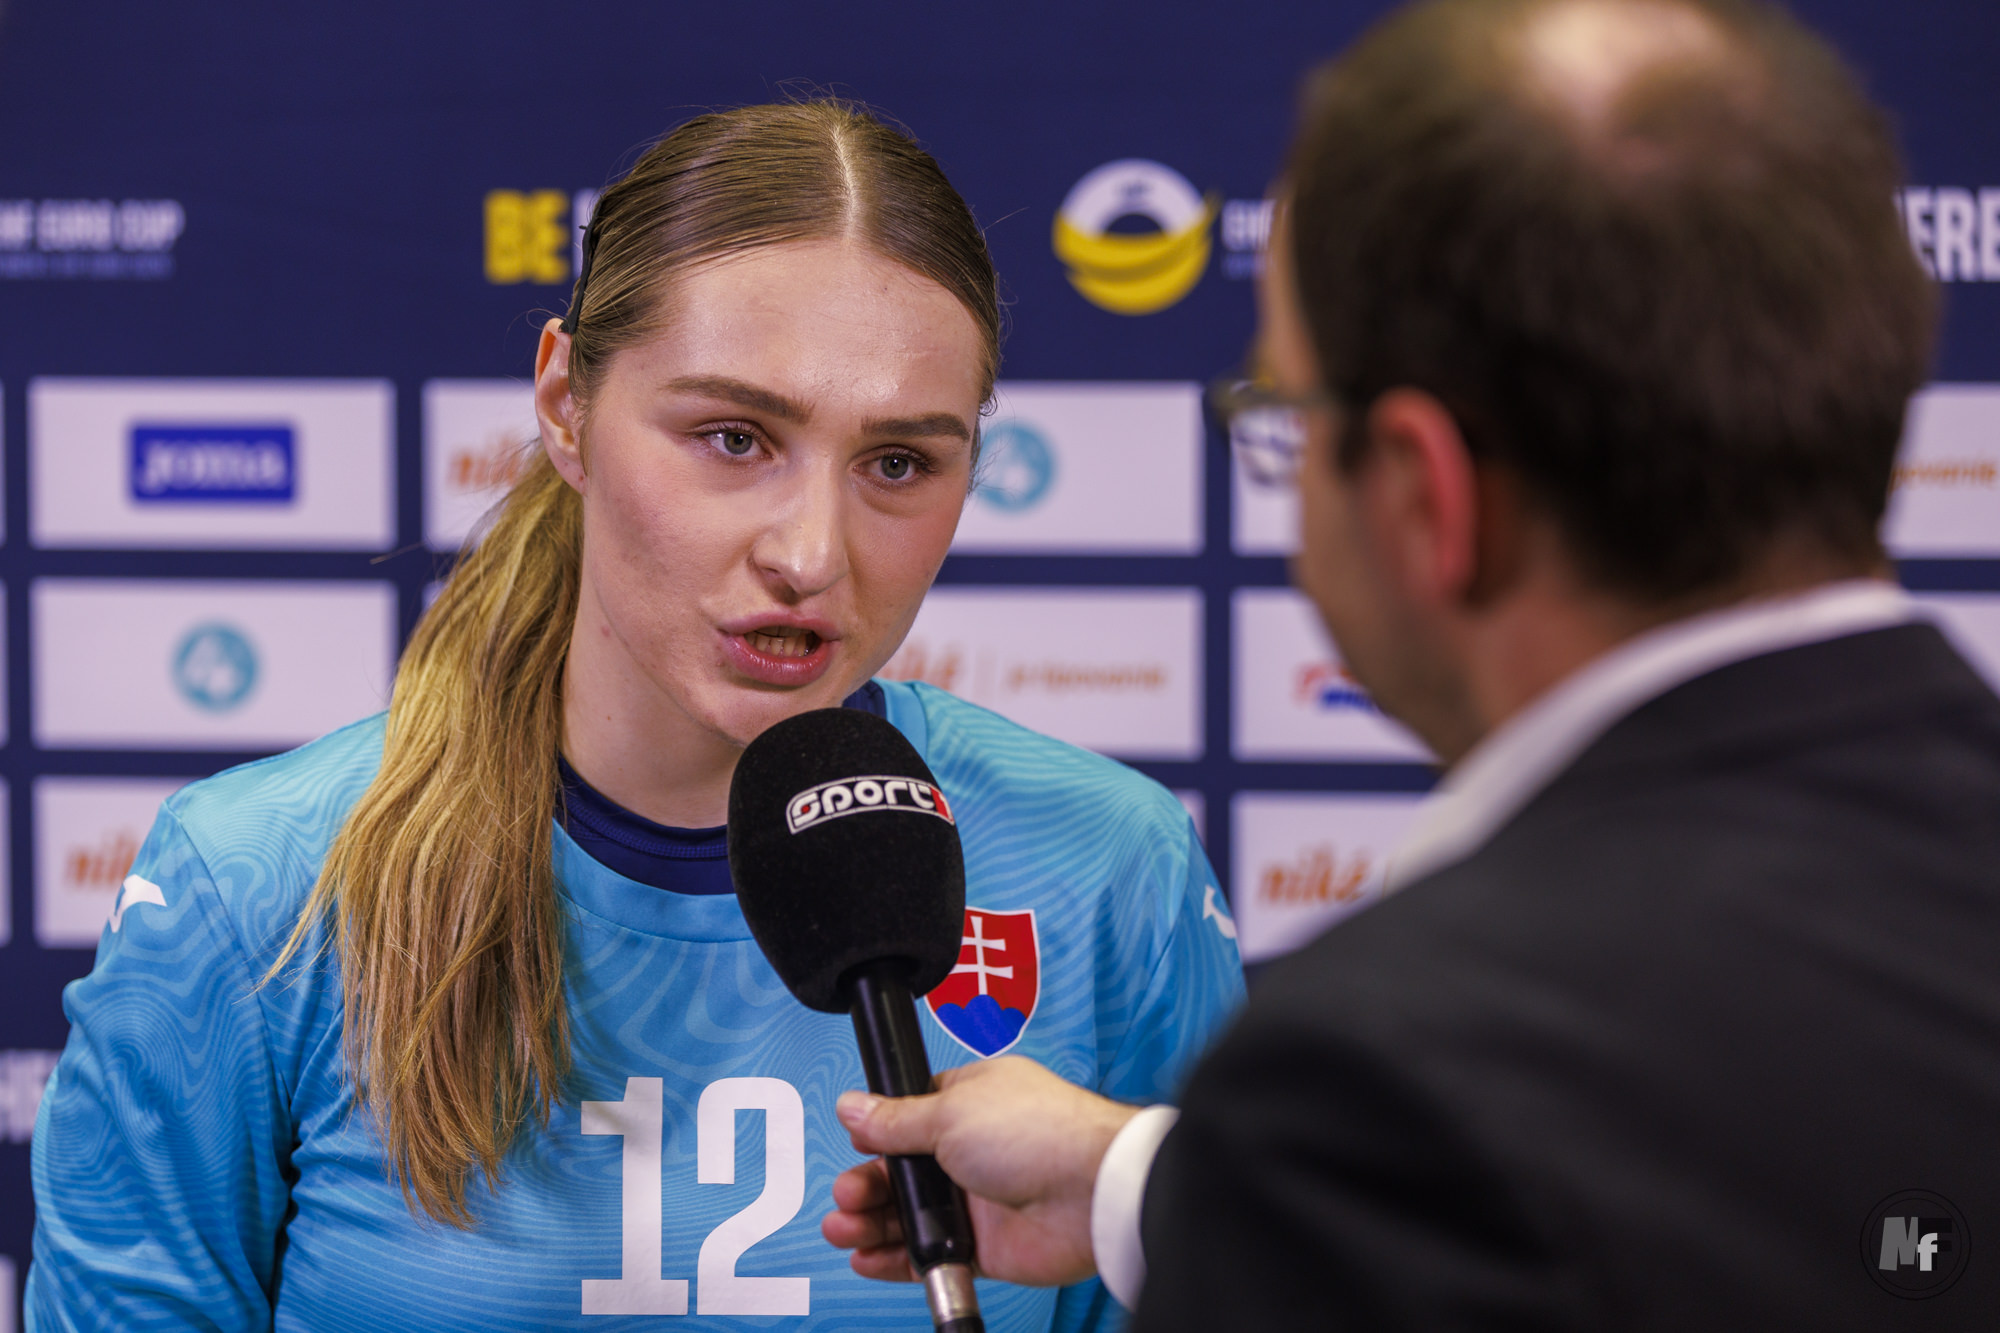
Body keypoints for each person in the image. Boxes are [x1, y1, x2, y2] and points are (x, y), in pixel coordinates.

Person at [825, 0, 2000, 1325]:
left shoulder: (1397, 1071)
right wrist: (1153, 1183)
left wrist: (1296, 1177)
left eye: (1283, 411)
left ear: (1421, 491)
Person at [26, 102, 1243, 1332]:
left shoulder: (1107, 867)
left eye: (897, 464)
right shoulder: (252, 887)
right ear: (565, 403)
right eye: (733, 438)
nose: (810, 554)